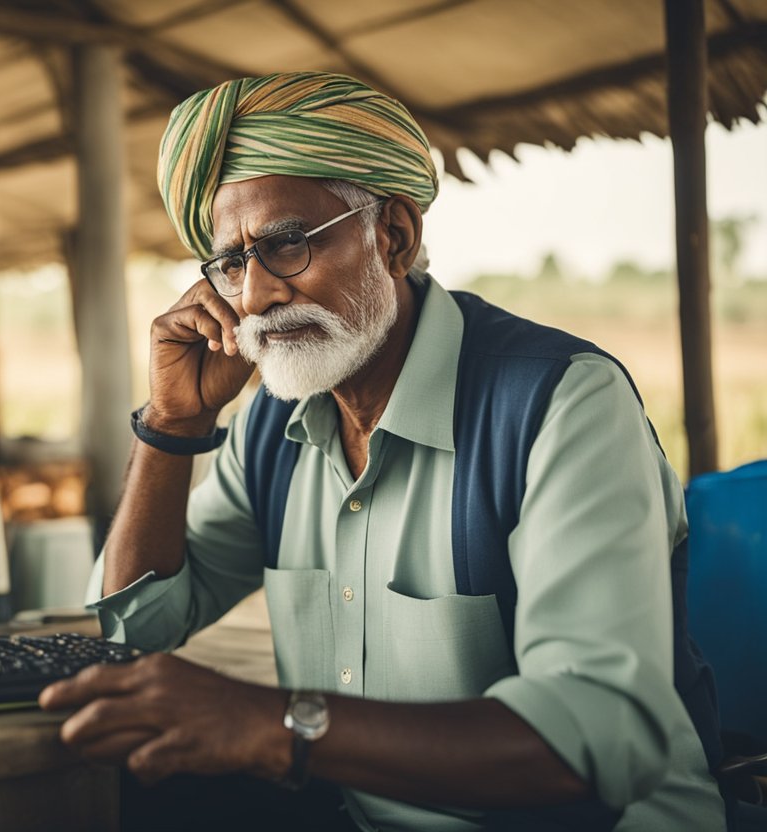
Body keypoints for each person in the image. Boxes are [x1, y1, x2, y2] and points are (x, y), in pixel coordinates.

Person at [38, 71, 725, 831]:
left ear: (394, 236)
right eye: (232, 262)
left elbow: (590, 740)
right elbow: (134, 628)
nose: (256, 294)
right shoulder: (275, 426)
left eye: (287, 245)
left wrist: (276, 723)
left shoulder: (559, 404)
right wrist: (173, 424)